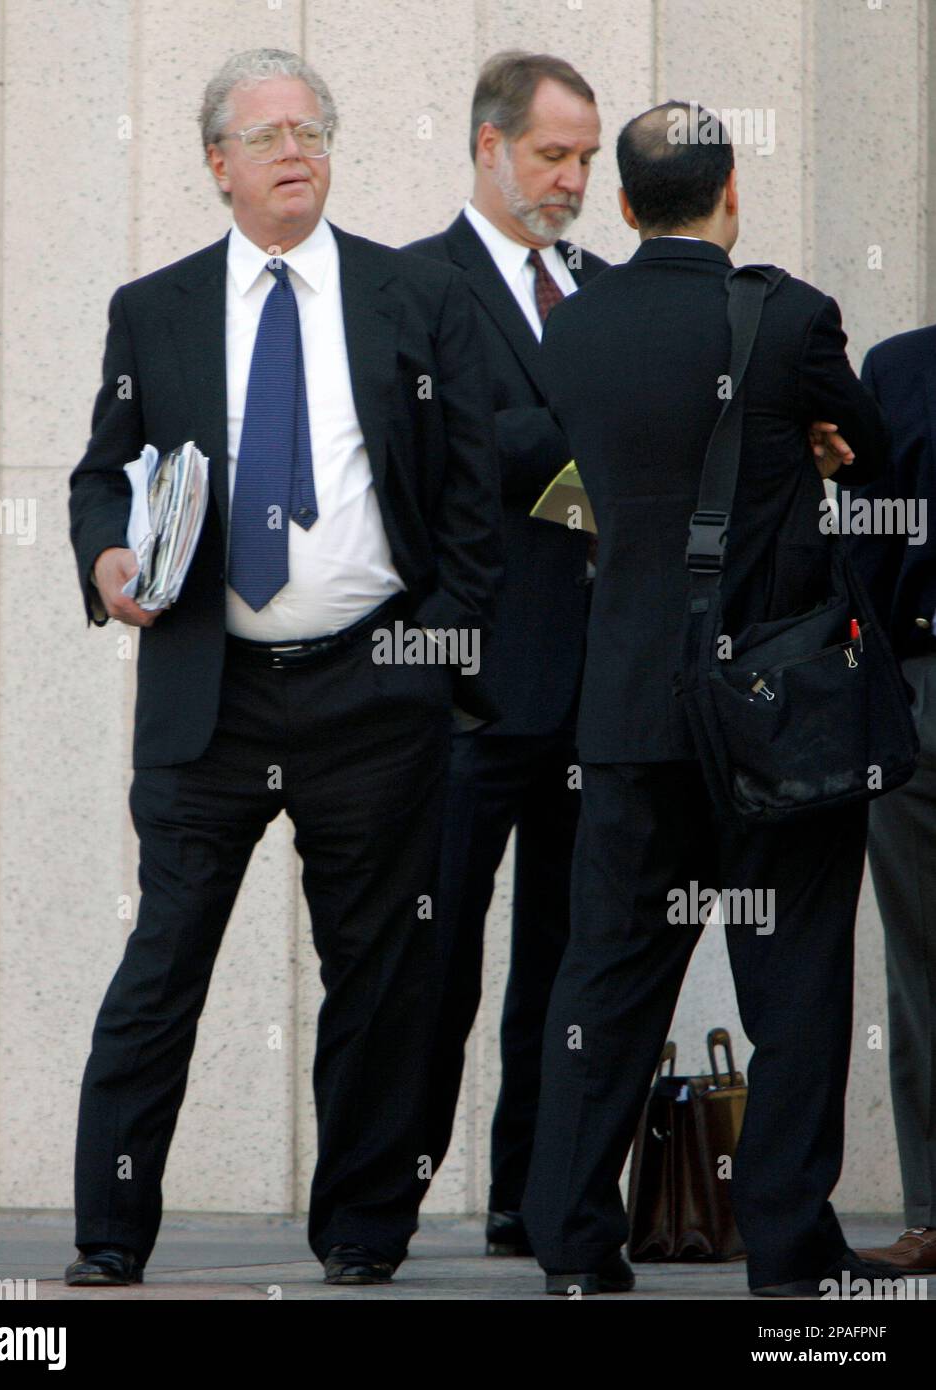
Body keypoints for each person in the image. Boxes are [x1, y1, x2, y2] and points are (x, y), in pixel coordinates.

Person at [64, 47, 501, 1289]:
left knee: (378, 978)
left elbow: (470, 490)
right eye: (264, 135)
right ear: (218, 164)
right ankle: (109, 1235)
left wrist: (438, 652)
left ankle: (362, 1236)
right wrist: (105, 558)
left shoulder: (413, 296)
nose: (294, 149)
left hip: (375, 688)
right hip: (212, 691)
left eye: (310, 128)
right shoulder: (153, 308)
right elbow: (105, 470)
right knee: (164, 964)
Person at [520, 100, 896, 1297]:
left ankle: (574, 1245)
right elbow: (874, 444)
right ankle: (785, 1248)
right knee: (792, 984)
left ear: (622, 206)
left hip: (628, 715)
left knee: (606, 979)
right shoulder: (786, 317)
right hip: (775, 716)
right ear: (731, 191)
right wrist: (817, 447)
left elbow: (564, 486)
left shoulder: (570, 330)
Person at [403, 51, 607, 1256]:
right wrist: (604, 478)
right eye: (551, 155)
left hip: (595, 696)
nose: (572, 179)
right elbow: (466, 459)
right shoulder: (413, 288)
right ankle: (379, 1203)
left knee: (566, 974)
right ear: (487, 146)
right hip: (468, 693)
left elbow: (556, 446)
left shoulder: (604, 287)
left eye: (585, 158)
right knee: (432, 967)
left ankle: (533, 1196)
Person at [844, 327, 936, 1276]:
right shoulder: (900, 367)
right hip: (918, 688)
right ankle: (932, 1208)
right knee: (920, 968)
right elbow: (863, 542)